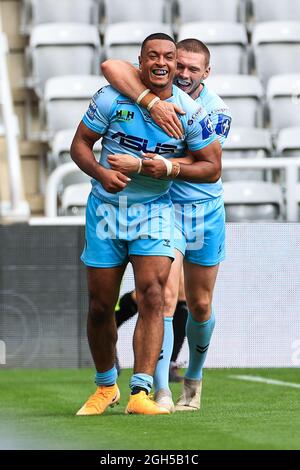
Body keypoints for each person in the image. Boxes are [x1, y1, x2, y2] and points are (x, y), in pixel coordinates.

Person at [71, 33, 221, 416]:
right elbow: (80, 145)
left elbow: (211, 166)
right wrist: (100, 173)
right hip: (106, 209)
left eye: (169, 58)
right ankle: (106, 386)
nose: (162, 63)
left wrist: (167, 167)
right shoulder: (112, 97)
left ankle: (141, 392)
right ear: (140, 61)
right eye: (152, 56)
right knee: (101, 305)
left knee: (154, 295)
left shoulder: (192, 111)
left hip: (155, 209)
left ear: (175, 64)